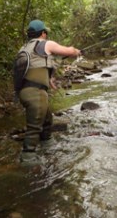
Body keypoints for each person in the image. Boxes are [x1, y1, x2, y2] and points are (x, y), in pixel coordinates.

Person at [17, 19, 80, 153]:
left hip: (24, 92)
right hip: (36, 93)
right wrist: (76, 51)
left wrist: (50, 79)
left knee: (46, 120)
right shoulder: (46, 44)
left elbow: (36, 67)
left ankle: (48, 146)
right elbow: (68, 51)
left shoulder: (24, 48)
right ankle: (28, 160)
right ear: (43, 33)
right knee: (34, 129)